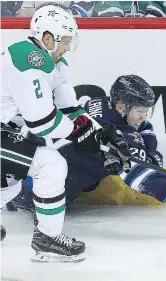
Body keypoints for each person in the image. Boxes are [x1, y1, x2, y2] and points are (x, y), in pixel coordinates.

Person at [11, 75, 166, 223]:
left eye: (146, 110)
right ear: (121, 107)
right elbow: (136, 172)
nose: (144, 116)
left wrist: (151, 152)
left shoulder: (100, 104)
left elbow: (144, 127)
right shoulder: (117, 136)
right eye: (140, 110)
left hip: (29, 163)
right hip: (32, 191)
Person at [1, 5, 102, 263]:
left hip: (5, 132)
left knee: (12, 182)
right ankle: (47, 239)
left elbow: (69, 108)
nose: (68, 47)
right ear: (48, 39)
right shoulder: (28, 58)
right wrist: (79, 133)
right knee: (49, 164)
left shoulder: (55, 63)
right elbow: (42, 121)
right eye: (65, 41)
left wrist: (103, 135)